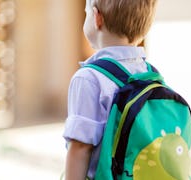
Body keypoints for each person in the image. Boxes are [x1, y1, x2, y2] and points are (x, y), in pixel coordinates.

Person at [63, 0, 157, 179]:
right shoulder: (149, 74)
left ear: (97, 18)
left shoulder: (89, 78)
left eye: (86, 13)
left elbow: (81, 147)